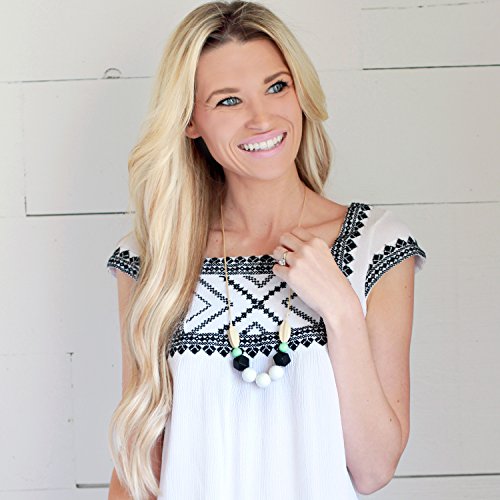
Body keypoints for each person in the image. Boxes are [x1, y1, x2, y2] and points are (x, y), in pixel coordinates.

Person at [106, 1, 427, 499]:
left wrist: (341, 309)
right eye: (228, 101)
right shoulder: (154, 256)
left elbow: (374, 468)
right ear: (190, 121)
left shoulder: (376, 244)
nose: (262, 118)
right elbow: (139, 465)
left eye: (276, 87)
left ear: (300, 92)